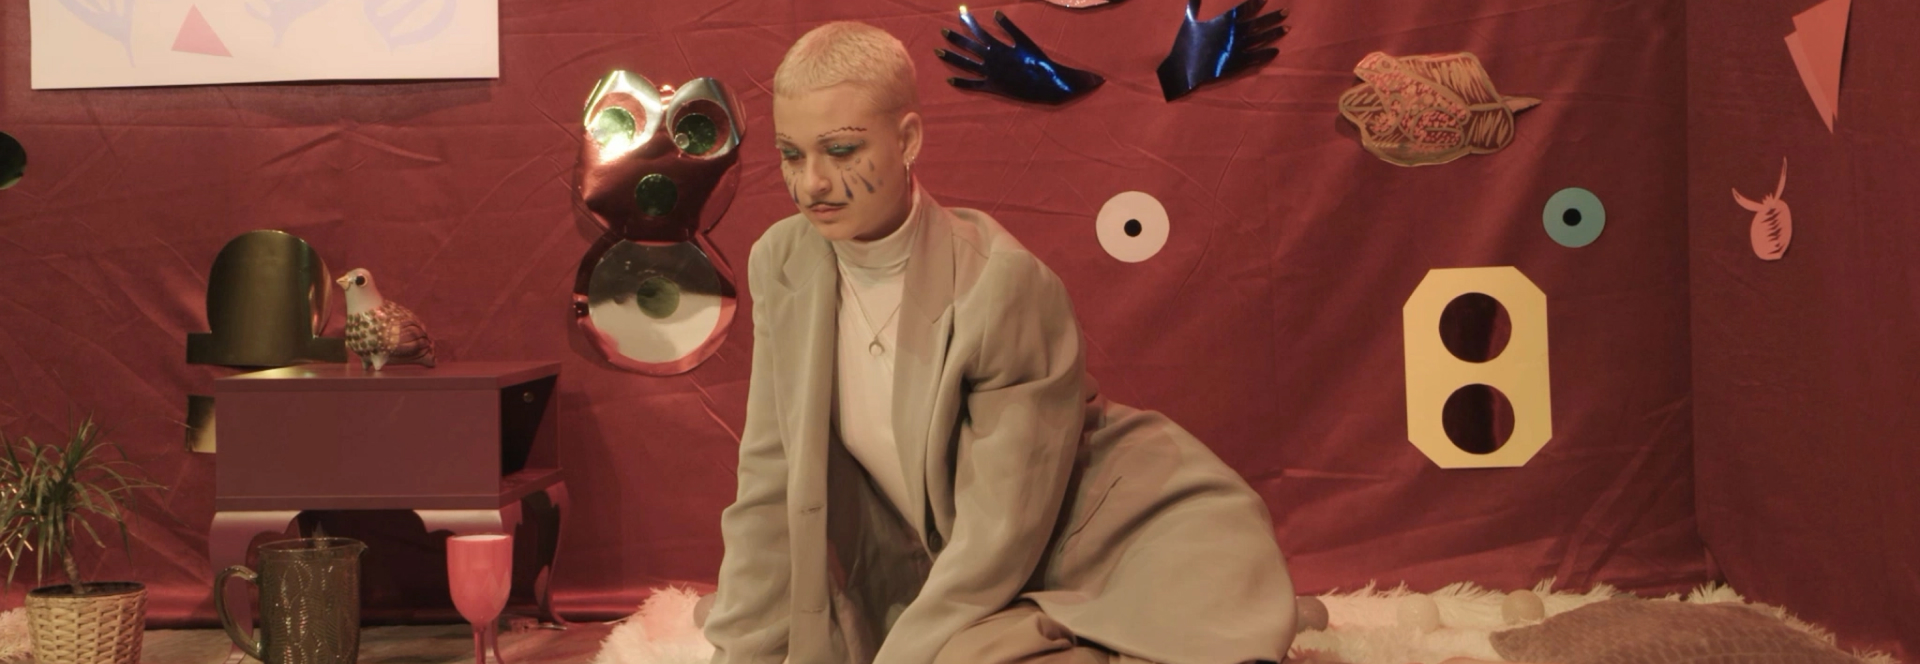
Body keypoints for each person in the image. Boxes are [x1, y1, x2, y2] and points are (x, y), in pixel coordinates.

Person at [703, 21, 1297, 664]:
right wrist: (740, 653)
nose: (812, 182)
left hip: (1117, 534)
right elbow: (771, 479)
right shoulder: (782, 261)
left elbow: (1001, 530)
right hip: (978, 574)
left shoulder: (999, 283)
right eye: (791, 155)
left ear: (908, 140)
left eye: (841, 150)